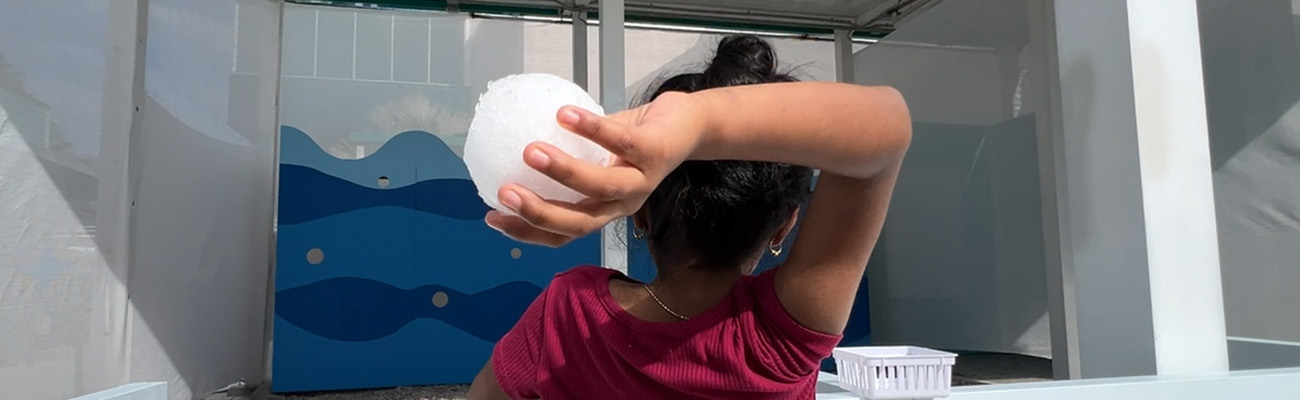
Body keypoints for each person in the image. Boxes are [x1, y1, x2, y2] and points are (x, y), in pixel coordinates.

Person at [467, 34, 911, 400]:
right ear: (784, 224)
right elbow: (889, 127)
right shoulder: (780, 337)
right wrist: (699, 123)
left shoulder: (569, 316)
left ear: (639, 212)